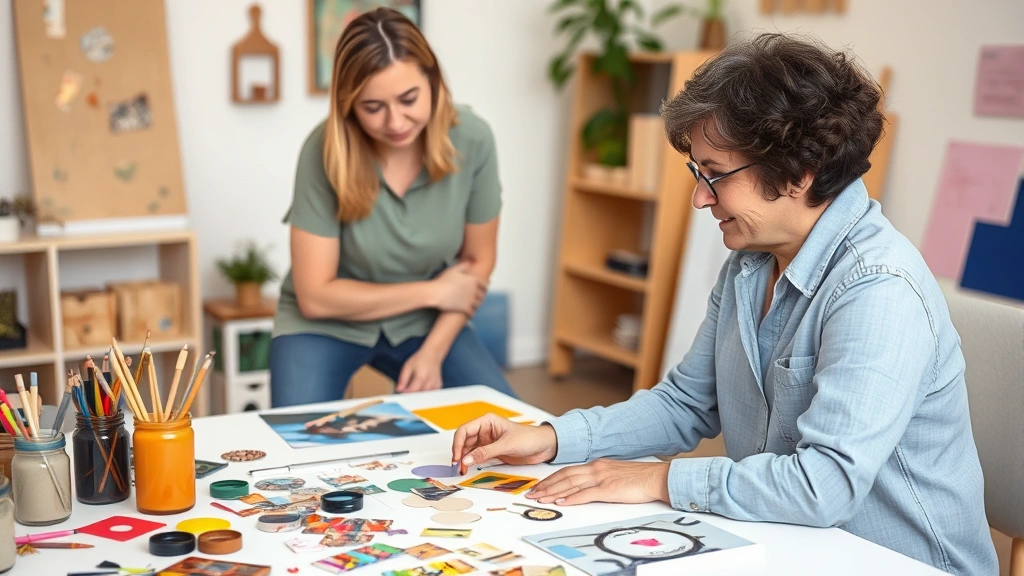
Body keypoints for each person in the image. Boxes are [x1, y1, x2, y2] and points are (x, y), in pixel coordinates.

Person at [451, 34, 997, 576]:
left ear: (797, 173)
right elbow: (686, 403)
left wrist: (656, 479)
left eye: (715, 175)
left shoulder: (879, 289)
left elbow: (823, 486)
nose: (699, 197)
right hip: (791, 542)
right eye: (698, 174)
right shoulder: (751, 262)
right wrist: (551, 438)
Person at [270, 8, 515, 405]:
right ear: (348, 104)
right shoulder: (322, 151)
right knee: (296, 446)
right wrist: (433, 292)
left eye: (408, 99)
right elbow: (315, 296)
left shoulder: (474, 139)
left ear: (433, 81)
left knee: (510, 426)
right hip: (326, 323)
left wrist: (434, 351)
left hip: (426, 324)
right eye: (372, 107)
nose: (396, 121)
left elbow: (477, 262)